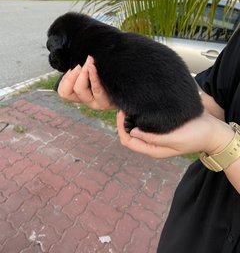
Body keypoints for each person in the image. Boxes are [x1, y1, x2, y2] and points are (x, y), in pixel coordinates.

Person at [57, 28, 240, 253]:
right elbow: (213, 105)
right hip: (197, 217)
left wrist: (220, 141)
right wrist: (135, 94)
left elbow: (213, 130)